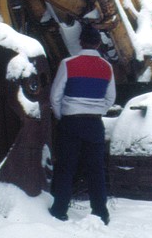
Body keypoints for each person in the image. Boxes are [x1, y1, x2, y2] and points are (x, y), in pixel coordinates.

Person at [48, 24, 116, 225]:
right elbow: (110, 98)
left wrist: (63, 115)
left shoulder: (68, 64)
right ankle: (100, 213)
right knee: (96, 170)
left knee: (66, 167)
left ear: (81, 42)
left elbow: (55, 96)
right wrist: (96, 110)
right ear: (98, 43)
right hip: (94, 124)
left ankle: (60, 210)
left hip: (71, 123)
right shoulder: (107, 67)